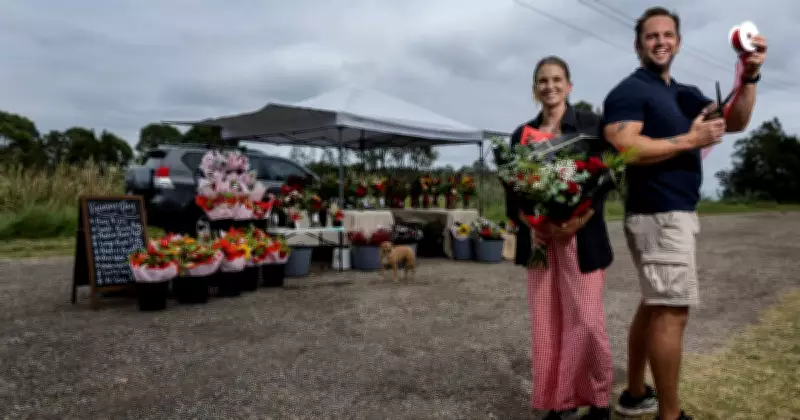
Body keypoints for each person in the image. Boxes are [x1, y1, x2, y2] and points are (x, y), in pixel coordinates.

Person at [601, 7, 766, 420]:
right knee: (671, 311)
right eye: (651, 36)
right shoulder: (629, 91)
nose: (660, 42)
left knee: (655, 305)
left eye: (667, 35)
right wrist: (689, 139)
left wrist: (749, 76)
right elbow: (625, 147)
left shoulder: (685, 92)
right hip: (658, 214)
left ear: (678, 41)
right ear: (638, 44)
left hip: (675, 212)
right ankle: (670, 415)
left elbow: (735, 121)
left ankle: (635, 393)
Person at [498, 56, 615, 420]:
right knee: (547, 324)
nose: (550, 86)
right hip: (541, 241)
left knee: (588, 321)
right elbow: (513, 189)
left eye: (556, 79)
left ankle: (598, 400)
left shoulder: (590, 126)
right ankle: (558, 403)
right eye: (543, 81)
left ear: (569, 85)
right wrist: (532, 221)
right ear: (535, 89)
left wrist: (583, 216)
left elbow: (607, 177)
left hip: (582, 236)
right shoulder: (521, 134)